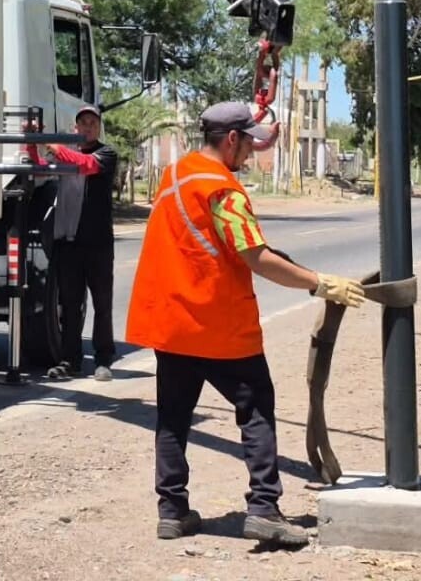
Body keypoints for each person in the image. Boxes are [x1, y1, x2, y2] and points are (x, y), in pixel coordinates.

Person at [126, 101, 366, 545]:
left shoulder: (175, 174)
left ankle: (172, 511)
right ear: (231, 139)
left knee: (173, 419)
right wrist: (318, 284)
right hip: (218, 327)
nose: (252, 154)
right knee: (256, 410)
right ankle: (264, 507)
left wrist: (262, 129)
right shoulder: (223, 190)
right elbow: (254, 256)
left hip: (171, 323)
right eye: (248, 144)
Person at [30, 104, 119, 381]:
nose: (88, 126)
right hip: (67, 242)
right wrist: (34, 141)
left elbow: (86, 165)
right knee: (69, 304)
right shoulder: (66, 155)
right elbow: (40, 169)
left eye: (93, 122)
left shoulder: (107, 154)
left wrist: (53, 143)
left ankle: (104, 359)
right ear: (76, 128)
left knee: (102, 304)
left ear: (98, 127)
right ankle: (70, 361)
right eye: (83, 123)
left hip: (97, 244)